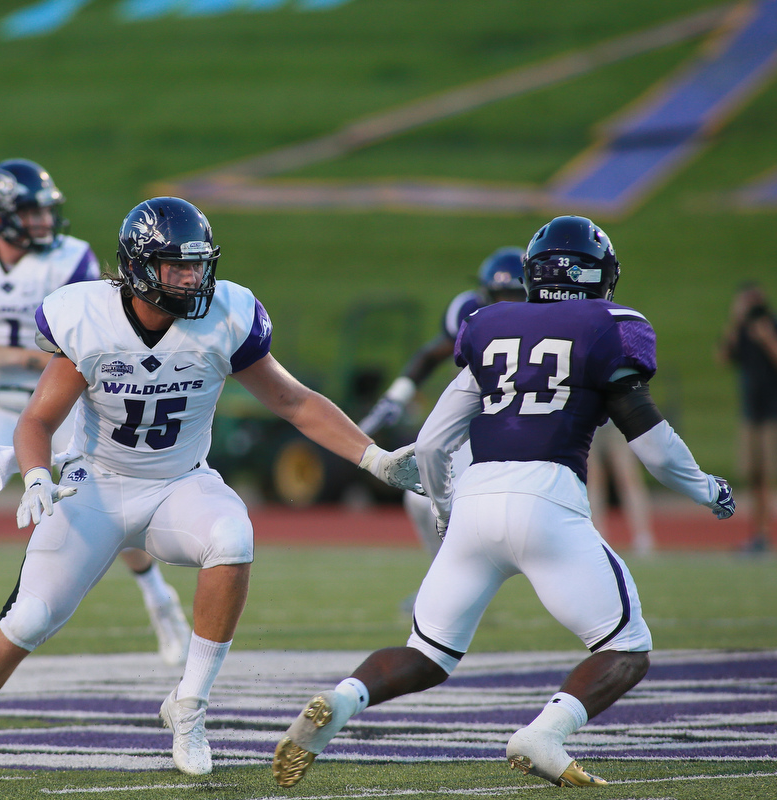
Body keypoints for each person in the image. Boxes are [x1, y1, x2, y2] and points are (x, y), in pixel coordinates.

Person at [0, 196, 422, 782]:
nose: (192, 278)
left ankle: (189, 705)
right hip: (95, 486)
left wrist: (374, 458)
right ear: (138, 267)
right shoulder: (88, 317)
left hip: (179, 484)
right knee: (27, 619)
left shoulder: (225, 315)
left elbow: (294, 401)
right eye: (177, 266)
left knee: (233, 536)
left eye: (198, 265)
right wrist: (36, 476)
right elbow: (37, 420)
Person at [273, 215, 737, 789]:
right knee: (627, 647)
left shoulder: (490, 325)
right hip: (549, 501)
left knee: (428, 654)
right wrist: (709, 489)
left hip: (476, 500)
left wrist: (445, 507)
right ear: (599, 276)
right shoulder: (610, 328)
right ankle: (544, 733)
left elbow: (435, 440)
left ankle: (343, 700)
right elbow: (656, 449)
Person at [0, 160, 190, 663]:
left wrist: (9, 356)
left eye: (45, 212)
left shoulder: (71, 260)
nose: (43, 222)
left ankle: (160, 600)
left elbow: (96, 349)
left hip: (68, 401)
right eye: (31, 213)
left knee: (106, 505)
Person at [359, 247, 525, 601]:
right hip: (479, 421)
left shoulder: (550, 318)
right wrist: (396, 396)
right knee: (421, 498)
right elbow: (432, 354)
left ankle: (453, 588)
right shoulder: (469, 310)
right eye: (499, 295)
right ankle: (446, 587)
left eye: (514, 295)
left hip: (529, 426)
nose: (506, 305)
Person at [718, 282, 777, 553]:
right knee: (756, 476)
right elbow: (723, 357)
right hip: (752, 414)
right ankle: (761, 536)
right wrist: (735, 322)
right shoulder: (742, 332)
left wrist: (767, 337)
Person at [587, 423, 656, 555]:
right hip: (589, 423)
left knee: (628, 478)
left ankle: (643, 537)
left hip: (614, 422)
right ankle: (598, 538)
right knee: (593, 480)